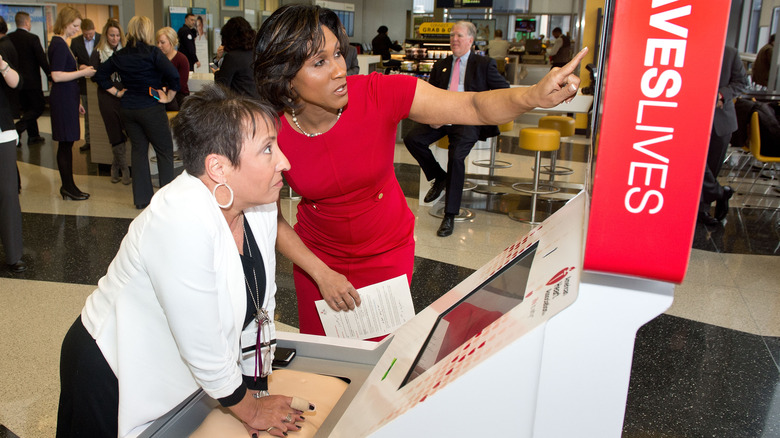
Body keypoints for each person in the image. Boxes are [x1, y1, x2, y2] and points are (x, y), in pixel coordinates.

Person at [253, 5, 585, 336]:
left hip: (386, 253)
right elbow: (271, 217)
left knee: (379, 360)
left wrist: (531, 96)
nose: (339, 69)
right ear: (286, 76)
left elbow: (472, 106)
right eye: (319, 62)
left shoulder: (377, 93)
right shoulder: (271, 129)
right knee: (327, 365)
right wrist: (320, 272)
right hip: (317, 260)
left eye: (338, 53)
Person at [56, 84, 302, 438]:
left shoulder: (259, 206)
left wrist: (257, 387)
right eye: (267, 149)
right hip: (109, 368)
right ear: (218, 167)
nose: (284, 161)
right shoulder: (180, 219)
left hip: (176, 371)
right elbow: (203, 345)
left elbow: (262, 308)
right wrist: (253, 410)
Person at [404, 21, 510, 237]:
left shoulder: (484, 64)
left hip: (468, 120)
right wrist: (432, 115)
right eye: (452, 35)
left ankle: (449, 215)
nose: (454, 39)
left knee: (456, 158)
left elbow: (503, 91)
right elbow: (430, 95)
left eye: (459, 36)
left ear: (470, 40)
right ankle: (438, 176)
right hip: (442, 117)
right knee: (412, 138)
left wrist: (482, 110)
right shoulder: (440, 65)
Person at [95, 16, 179, 210]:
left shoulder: (121, 55)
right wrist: (167, 97)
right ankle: (167, 201)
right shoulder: (153, 53)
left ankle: (142, 200)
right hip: (151, 107)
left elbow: (100, 75)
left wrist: (116, 92)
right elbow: (174, 76)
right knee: (164, 151)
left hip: (128, 108)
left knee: (139, 151)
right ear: (148, 31)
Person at [48, 6, 96, 201]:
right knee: (65, 145)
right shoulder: (59, 44)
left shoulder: (61, 43)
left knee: (67, 145)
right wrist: (83, 73)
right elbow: (57, 75)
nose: (77, 29)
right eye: (75, 25)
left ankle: (69, 185)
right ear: (66, 23)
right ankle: (67, 186)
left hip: (67, 99)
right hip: (62, 98)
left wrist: (76, 102)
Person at [698, 45, 746, 226]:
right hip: (692, 119)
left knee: (712, 166)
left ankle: (702, 211)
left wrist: (721, 94)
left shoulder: (730, 53)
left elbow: (741, 83)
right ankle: (719, 192)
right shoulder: (688, 48)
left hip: (721, 122)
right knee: (695, 164)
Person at [90, 19, 129, 185]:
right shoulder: (98, 52)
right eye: (112, 35)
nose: (114, 38)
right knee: (113, 131)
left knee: (125, 129)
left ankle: (115, 166)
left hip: (125, 95)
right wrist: (114, 91)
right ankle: (124, 169)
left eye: (117, 35)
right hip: (107, 95)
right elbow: (95, 77)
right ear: (106, 35)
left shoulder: (125, 51)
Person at [0, 33, 25, 272]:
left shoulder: (2, 52)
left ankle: (13, 254)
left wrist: (2, 65)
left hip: (2, 132)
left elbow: (17, 83)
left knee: (8, 193)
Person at [8, 11, 50, 146]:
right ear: (27, 22)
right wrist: (50, 75)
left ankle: (33, 135)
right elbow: (42, 59)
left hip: (16, 82)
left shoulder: (9, 38)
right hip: (32, 82)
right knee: (38, 107)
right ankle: (19, 128)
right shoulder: (33, 38)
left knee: (27, 109)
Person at [70, 18, 100, 152]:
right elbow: (71, 62)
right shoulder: (75, 42)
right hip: (84, 82)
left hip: (99, 81)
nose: (88, 36)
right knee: (87, 114)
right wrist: (79, 66)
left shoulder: (101, 38)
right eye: (86, 34)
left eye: (90, 33)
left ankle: (99, 141)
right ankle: (88, 140)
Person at [214, 17, 258, 98]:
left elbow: (221, 86)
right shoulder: (256, 54)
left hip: (241, 106)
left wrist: (217, 73)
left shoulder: (232, 57)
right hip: (259, 105)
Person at [156, 26, 190, 110]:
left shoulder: (182, 59)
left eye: (162, 42)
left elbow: (181, 84)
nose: (159, 45)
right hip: (161, 93)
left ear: (171, 42)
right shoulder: (157, 59)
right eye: (158, 42)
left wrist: (165, 89)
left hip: (178, 96)